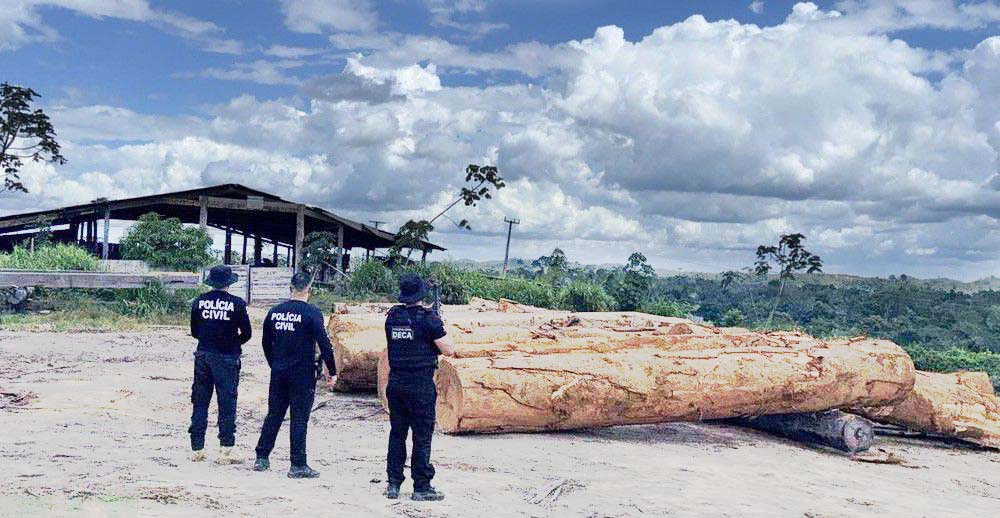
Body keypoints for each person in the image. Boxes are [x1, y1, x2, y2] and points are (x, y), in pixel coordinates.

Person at [253, 272, 337, 478]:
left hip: (279, 372)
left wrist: (275, 364)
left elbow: (266, 343)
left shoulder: (274, 312)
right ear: (309, 289)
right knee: (299, 418)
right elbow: (325, 344)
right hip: (302, 373)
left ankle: (261, 457)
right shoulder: (312, 313)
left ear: (290, 288)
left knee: (274, 414)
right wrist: (332, 372)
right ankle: (298, 464)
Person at [384, 273, 455, 501]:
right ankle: (421, 487)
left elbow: (402, 342)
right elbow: (448, 349)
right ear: (420, 294)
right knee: (422, 436)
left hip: (396, 383)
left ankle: (393, 484)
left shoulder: (392, 317)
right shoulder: (428, 319)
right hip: (420, 385)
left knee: (397, 433)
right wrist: (439, 324)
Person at [189, 265, 252, 464]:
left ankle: (197, 448)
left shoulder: (199, 302)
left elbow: (195, 331)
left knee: (200, 402)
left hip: (204, 355)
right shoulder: (237, 304)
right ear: (229, 283)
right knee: (226, 403)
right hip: (227, 358)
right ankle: (226, 450)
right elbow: (247, 333)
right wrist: (233, 343)